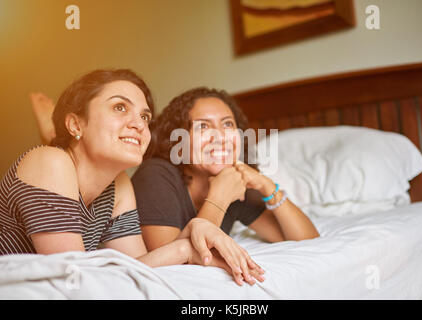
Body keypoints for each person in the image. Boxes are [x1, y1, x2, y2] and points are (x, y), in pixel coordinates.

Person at [0, 70, 264, 286]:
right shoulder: (48, 161)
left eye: (145, 116)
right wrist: (185, 246)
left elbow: (136, 266)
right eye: (119, 107)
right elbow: (75, 279)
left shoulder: (120, 183)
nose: (139, 124)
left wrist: (194, 231)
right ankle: (52, 133)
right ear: (76, 124)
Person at [131, 87, 319, 253]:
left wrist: (267, 186)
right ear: (179, 143)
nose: (220, 136)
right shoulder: (155, 175)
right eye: (203, 126)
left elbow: (308, 240)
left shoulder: (234, 182)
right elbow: (171, 263)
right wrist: (219, 196)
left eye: (228, 124)